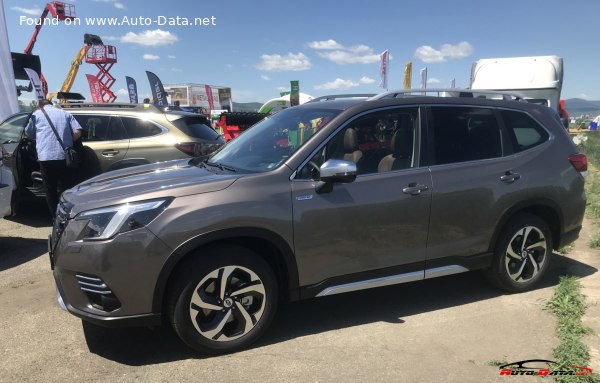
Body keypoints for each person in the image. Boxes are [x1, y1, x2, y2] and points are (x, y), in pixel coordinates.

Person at [26, 99, 83, 217]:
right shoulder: (65, 113)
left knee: (50, 189)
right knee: (66, 188)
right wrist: (67, 142)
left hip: (45, 157)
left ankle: (55, 217)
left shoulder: (36, 115)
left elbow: (29, 134)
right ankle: (68, 215)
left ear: (40, 106)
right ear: (51, 105)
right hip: (64, 156)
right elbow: (78, 132)